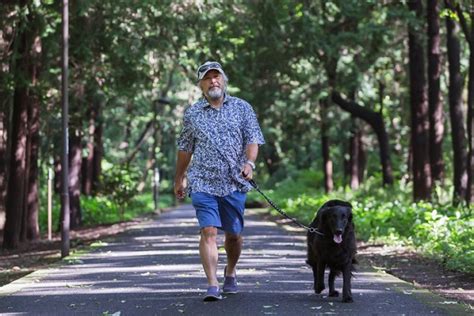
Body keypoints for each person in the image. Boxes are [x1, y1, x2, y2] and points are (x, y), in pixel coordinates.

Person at [174, 61, 265, 301]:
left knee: (233, 234)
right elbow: (185, 148)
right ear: (201, 84)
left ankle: (231, 271)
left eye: (217, 76)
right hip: (203, 181)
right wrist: (179, 177)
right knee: (209, 230)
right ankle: (212, 284)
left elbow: (253, 139)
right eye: (208, 78)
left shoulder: (242, 108)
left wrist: (250, 164)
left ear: (223, 80)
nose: (213, 81)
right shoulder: (193, 113)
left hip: (234, 182)